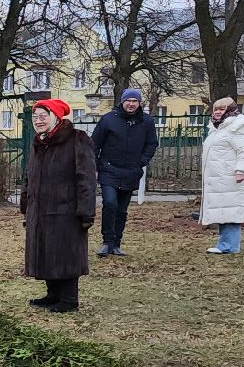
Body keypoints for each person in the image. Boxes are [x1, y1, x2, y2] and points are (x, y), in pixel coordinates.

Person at [20, 98, 96, 313]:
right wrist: (27, 205)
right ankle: (53, 294)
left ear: (55, 116)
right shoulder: (39, 142)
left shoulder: (76, 139)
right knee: (45, 251)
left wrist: (86, 212)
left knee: (65, 253)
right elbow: (29, 175)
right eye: (35, 117)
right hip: (40, 210)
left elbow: (86, 177)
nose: (38, 120)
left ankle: (69, 299)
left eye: (43, 116)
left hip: (66, 209)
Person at [89, 87, 159, 256]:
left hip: (130, 172)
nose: (131, 104)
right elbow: (94, 143)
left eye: (135, 101)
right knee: (110, 203)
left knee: (121, 210)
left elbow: (151, 144)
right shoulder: (108, 120)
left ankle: (116, 244)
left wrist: (141, 162)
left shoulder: (146, 121)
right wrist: (95, 165)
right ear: (122, 101)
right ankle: (106, 241)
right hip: (108, 169)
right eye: (128, 100)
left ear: (139, 103)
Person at [200, 96, 244, 254]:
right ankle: (226, 244)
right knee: (224, 211)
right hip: (219, 178)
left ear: (230, 110)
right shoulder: (217, 128)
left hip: (231, 178)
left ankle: (229, 245)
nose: (218, 112)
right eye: (216, 109)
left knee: (231, 212)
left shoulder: (238, 127)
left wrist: (242, 170)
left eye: (222, 109)